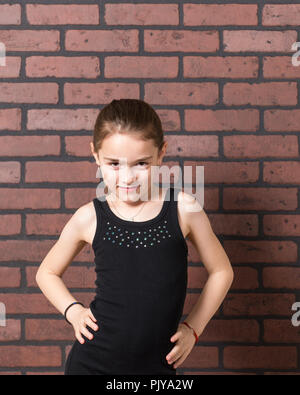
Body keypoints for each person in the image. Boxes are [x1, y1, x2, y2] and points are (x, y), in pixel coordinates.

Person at [36, 98, 234, 375]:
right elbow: (46, 273)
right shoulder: (89, 217)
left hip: (155, 367)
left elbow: (222, 271)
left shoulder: (183, 209)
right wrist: (74, 312)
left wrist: (193, 329)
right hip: (92, 363)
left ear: (161, 154)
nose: (127, 177)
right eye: (114, 164)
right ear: (95, 155)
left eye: (141, 163)